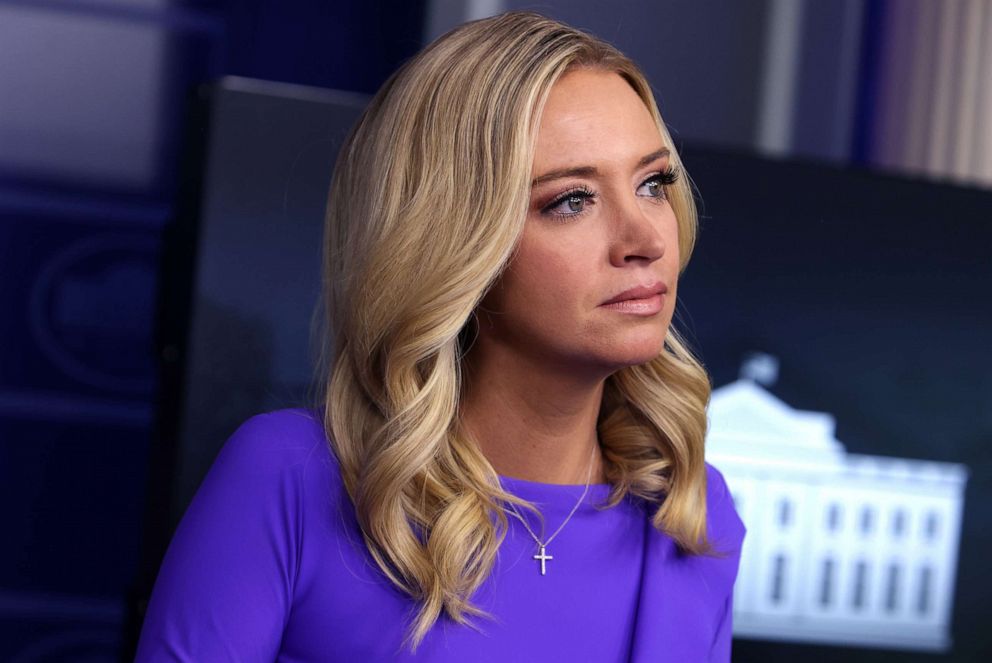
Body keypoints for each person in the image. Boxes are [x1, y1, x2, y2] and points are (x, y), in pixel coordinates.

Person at [135, 11, 745, 662]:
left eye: (653, 183)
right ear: (456, 244)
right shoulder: (289, 479)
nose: (647, 239)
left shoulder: (692, 518)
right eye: (571, 199)